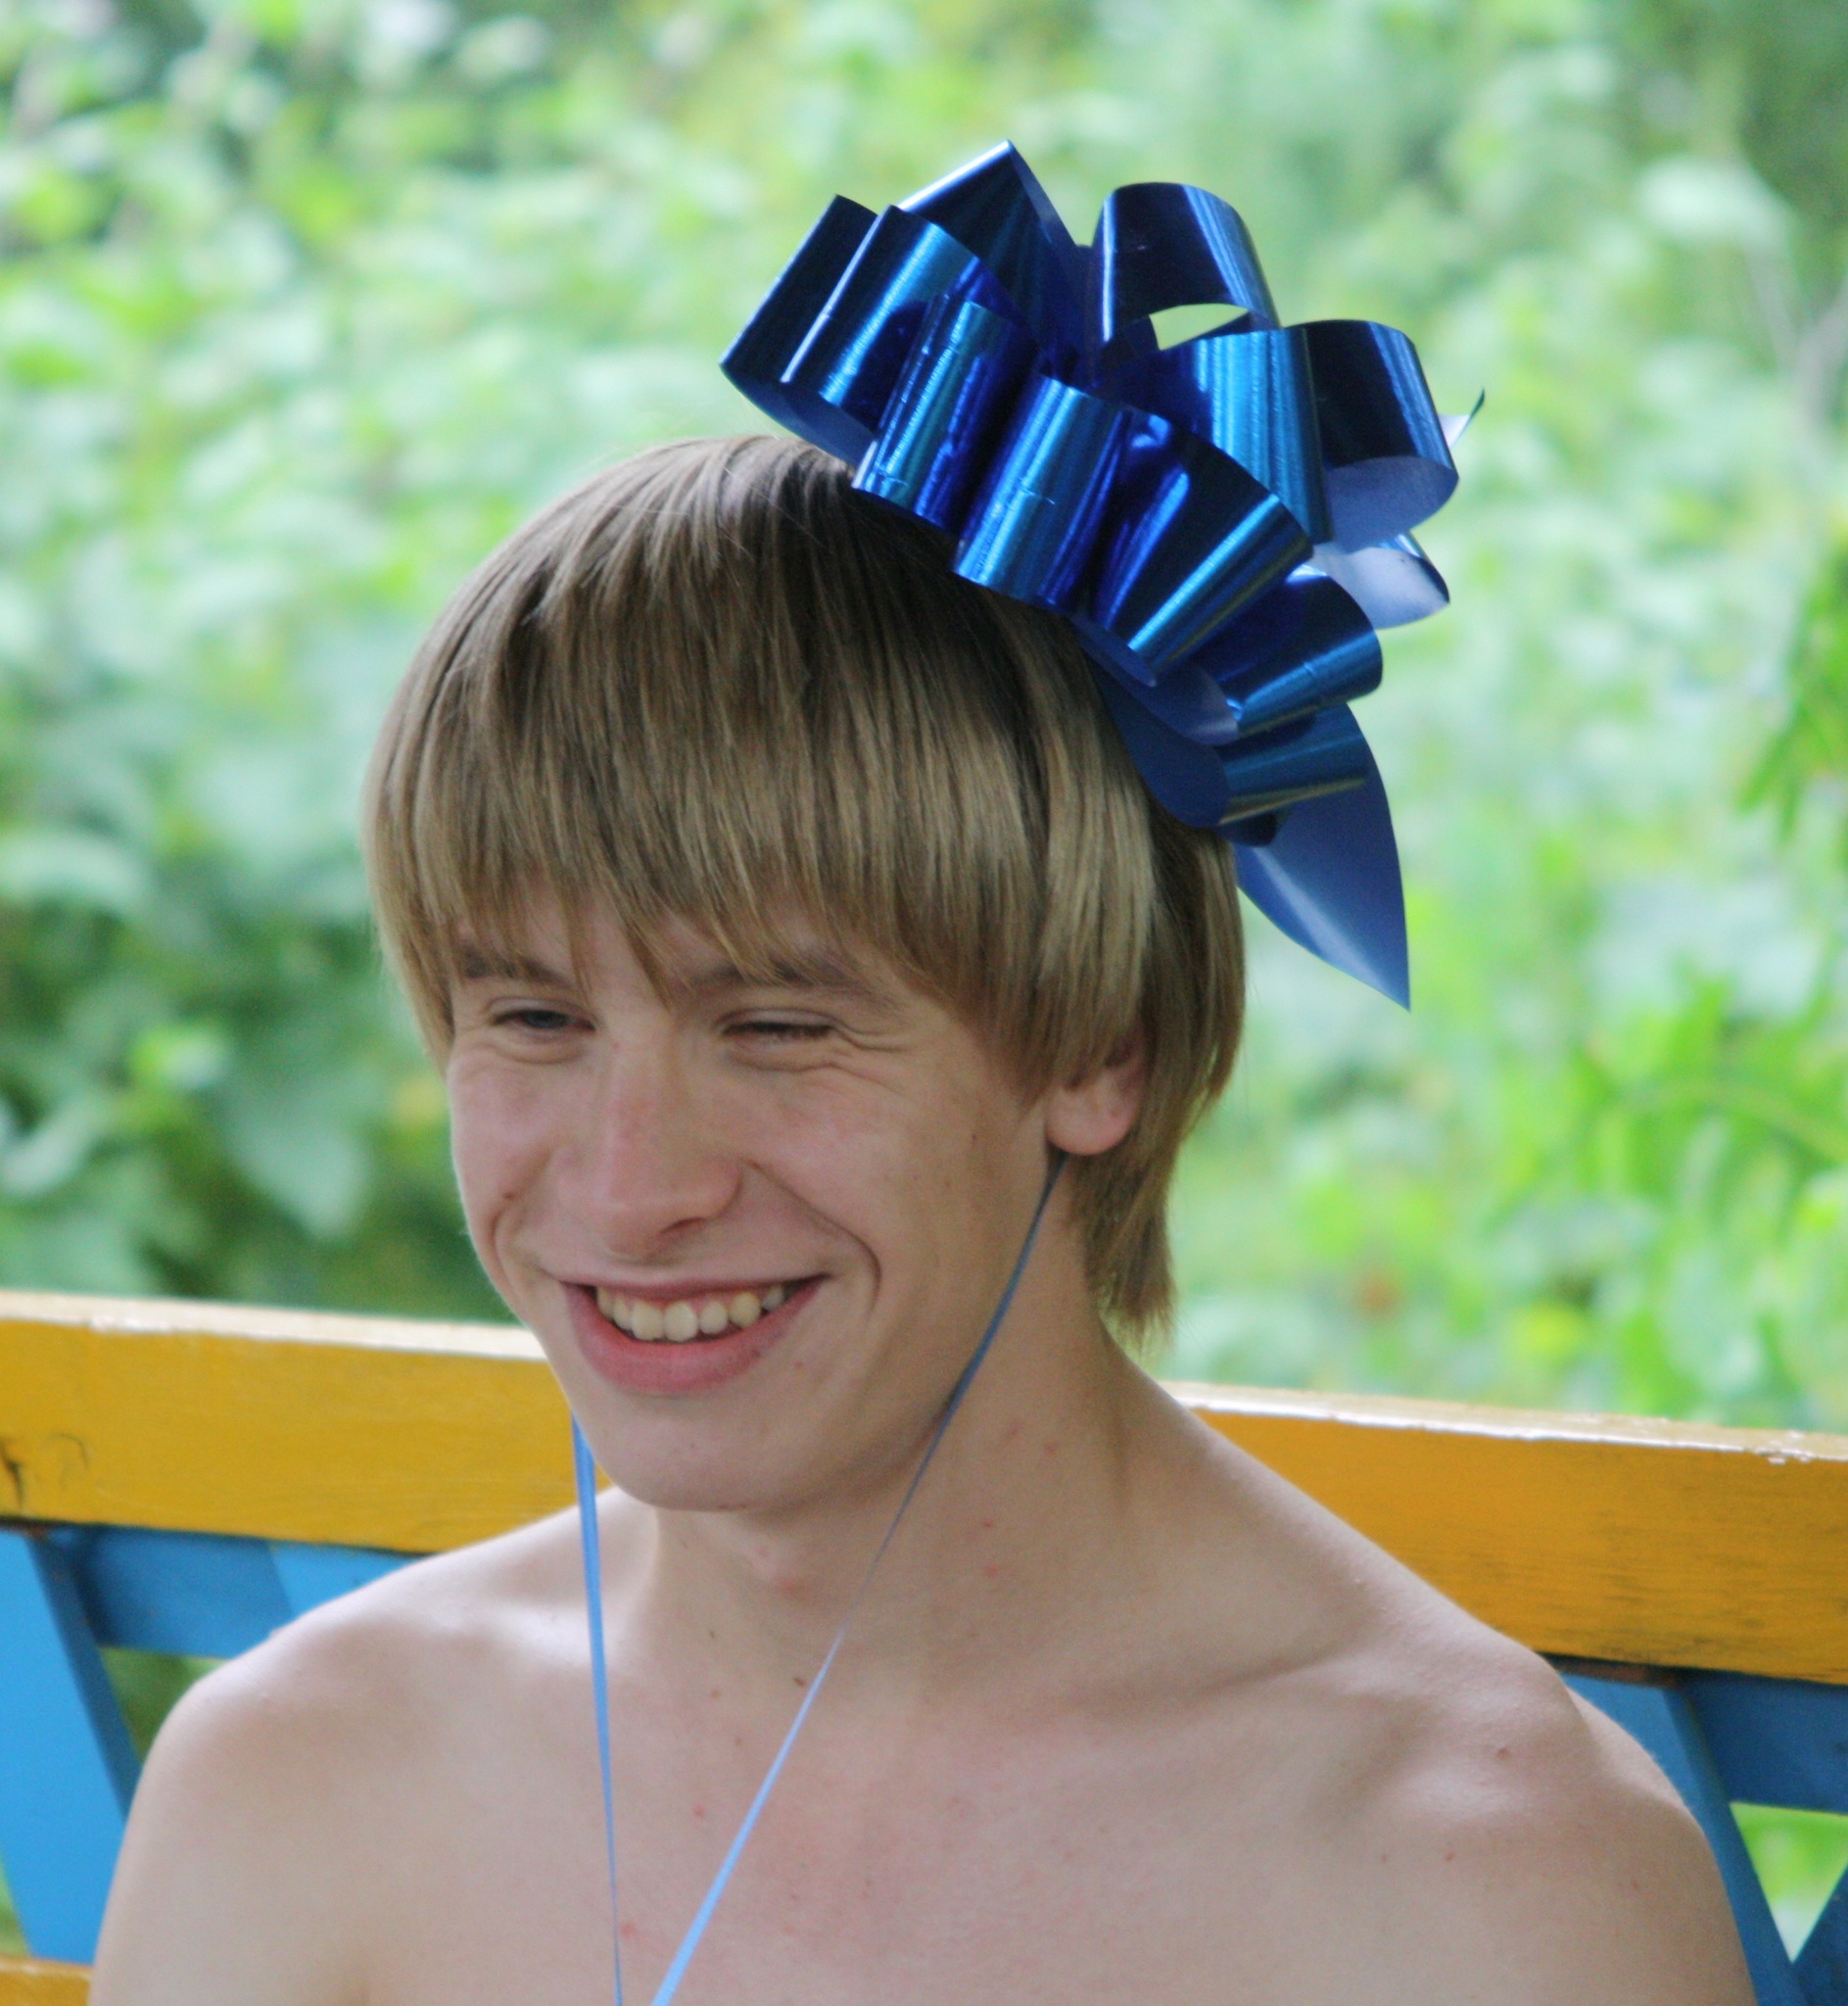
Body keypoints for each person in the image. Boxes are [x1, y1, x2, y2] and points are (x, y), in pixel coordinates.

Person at [89, 428, 1752, 2006]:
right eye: (533, 1018)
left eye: (776, 1027)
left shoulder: (1471, 1887)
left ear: (1102, 1043)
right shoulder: (301, 1782)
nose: (630, 1191)